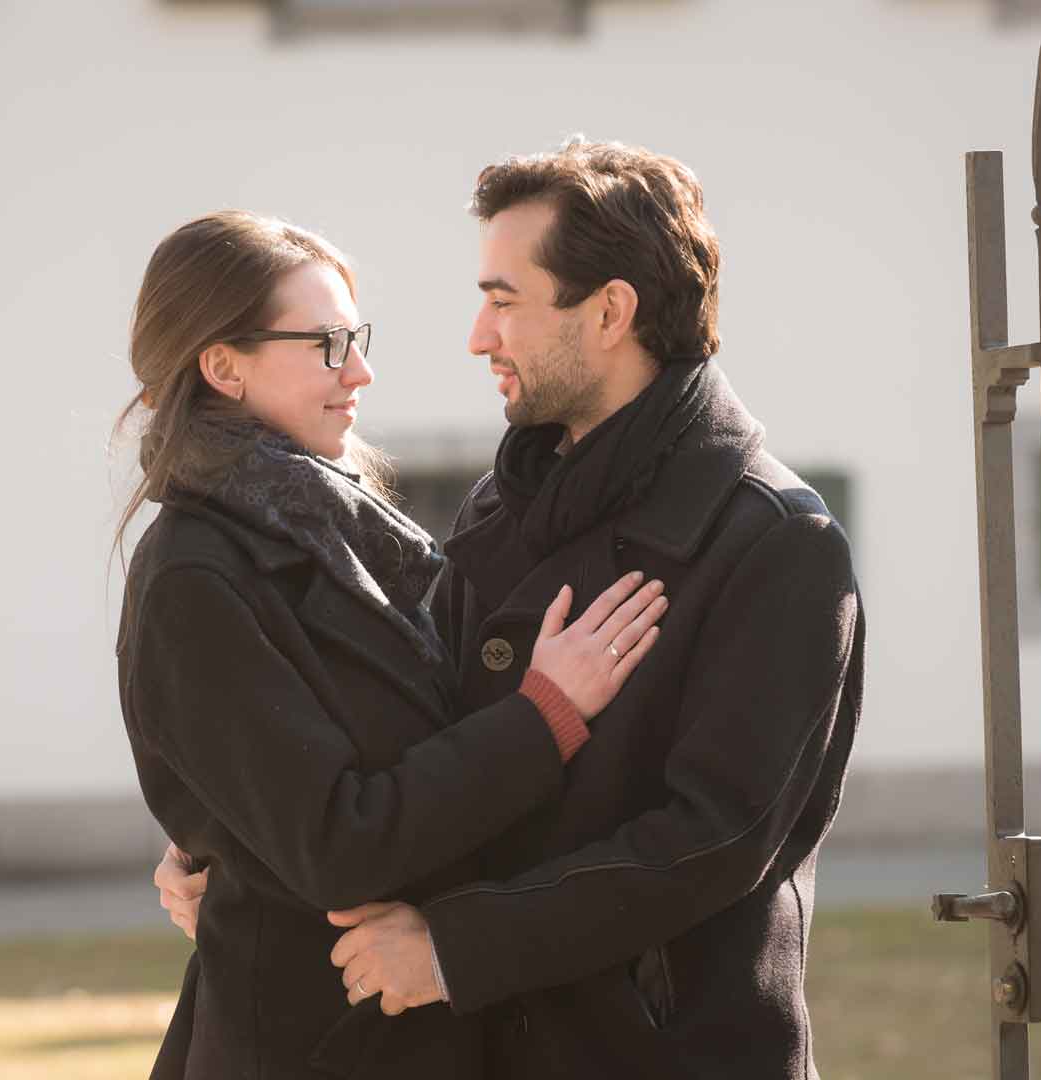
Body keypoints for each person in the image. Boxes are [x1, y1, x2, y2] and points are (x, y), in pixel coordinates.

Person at [160, 140, 864, 1079]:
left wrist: (459, 945)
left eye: (504, 301)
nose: (478, 337)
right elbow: (417, 734)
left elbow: (714, 839)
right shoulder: (505, 504)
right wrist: (238, 843)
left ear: (611, 311)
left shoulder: (777, 541)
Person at [113, 209, 671, 1080]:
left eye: (357, 338)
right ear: (223, 367)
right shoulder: (195, 576)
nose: (362, 371)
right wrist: (545, 716)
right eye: (327, 345)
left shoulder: (334, 528)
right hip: (312, 1046)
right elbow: (340, 845)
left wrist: (213, 839)